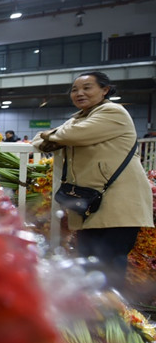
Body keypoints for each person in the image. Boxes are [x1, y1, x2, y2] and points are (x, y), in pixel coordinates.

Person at [32, 71, 153, 291]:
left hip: (118, 201)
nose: (79, 93)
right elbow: (40, 141)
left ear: (105, 90)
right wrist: (53, 136)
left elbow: (72, 136)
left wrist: (51, 135)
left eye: (87, 88)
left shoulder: (112, 112)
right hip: (92, 201)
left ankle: (113, 315)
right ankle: (93, 317)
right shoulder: (81, 117)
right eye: (75, 90)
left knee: (109, 264)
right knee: (89, 263)